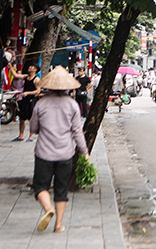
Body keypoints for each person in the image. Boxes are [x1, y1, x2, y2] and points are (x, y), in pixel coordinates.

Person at [30, 66, 88, 233]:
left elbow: (33, 127)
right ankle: (58, 225)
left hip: (44, 153)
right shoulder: (73, 105)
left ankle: (48, 208)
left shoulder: (41, 104)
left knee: (41, 186)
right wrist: (85, 152)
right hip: (65, 154)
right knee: (61, 190)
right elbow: (77, 132)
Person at [14, 64, 40, 141]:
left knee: (31, 119)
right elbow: (16, 75)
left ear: (35, 70)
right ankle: (21, 135)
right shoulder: (26, 77)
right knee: (22, 118)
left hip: (31, 100)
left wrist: (28, 93)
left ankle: (31, 135)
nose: (29, 67)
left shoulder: (36, 79)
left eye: (31, 67)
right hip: (24, 100)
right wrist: (10, 67)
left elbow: (38, 91)